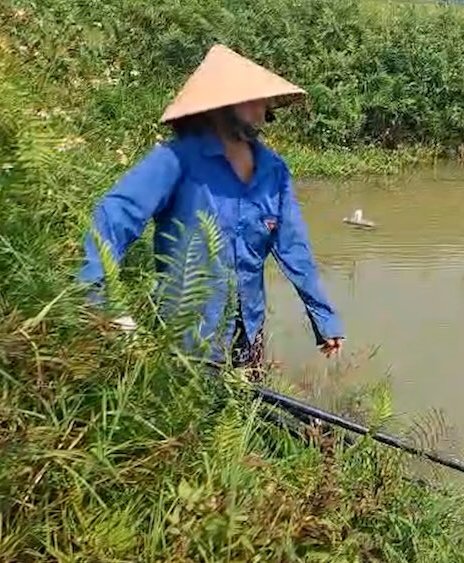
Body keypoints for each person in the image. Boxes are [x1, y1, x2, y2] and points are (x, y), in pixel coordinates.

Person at [77, 44, 344, 376]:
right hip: (188, 335)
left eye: (264, 102)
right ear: (222, 105)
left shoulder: (272, 169)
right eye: (255, 100)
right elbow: (115, 215)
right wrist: (100, 295)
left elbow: (293, 246)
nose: (264, 112)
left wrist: (324, 317)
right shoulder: (176, 160)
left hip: (248, 333)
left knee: (242, 415)